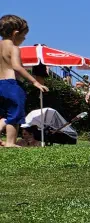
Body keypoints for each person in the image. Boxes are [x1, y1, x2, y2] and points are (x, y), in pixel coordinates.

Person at [0, 15, 45, 149]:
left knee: (3, 115)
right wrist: (34, 81)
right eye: (24, 36)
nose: (24, 39)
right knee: (14, 114)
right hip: (12, 85)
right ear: (15, 34)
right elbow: (17, 67)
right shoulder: (14, 48)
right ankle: (10, 142)